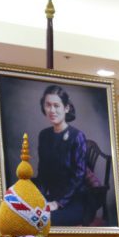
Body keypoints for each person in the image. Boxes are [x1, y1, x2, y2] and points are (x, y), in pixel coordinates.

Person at [35, 85, 94, 227]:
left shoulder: (77, 136)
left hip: (73, 201)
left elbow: (78, 177)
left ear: (66, 108)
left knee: (42, 222)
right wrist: (40, 199)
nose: (52, 110)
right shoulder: (44, 135)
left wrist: (58, 203)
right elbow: (42, 172)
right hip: (50, 197)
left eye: (56, 106)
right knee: (26, 215)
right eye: (48, 105)